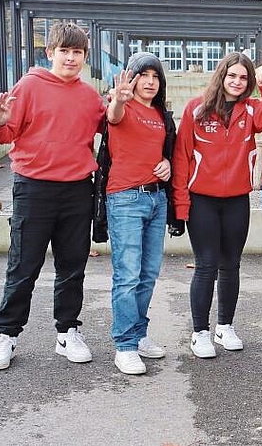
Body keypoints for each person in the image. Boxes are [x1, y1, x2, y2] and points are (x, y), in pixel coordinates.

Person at [0, 22, 105, 370]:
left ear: (85, 57)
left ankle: (67, 331)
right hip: (34, 187)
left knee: (73, 266)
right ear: (50, 53)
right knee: (23, 265)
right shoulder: (29, 86)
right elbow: (6, 133)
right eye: (64, 51)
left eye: (77, 52)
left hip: (76, 189)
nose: (70, 58)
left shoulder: (90, 96)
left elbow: (115, 126)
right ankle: (7, 334)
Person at [171, 52, 262, 359]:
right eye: (232, 75)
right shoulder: (197, 109)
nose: (237, 82)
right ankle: (200, 332)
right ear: (222, 76)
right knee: (206, 265)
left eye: (243, 77)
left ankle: (225, 326)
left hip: (236, 200)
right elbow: (181, 159)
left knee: (231, 265)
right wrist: (181, 206)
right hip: (202, 200)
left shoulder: (251, 109)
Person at [98, 52, 179, 375]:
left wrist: (167, 164)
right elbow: (113, 116)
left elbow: (164, 152)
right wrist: (118, 99)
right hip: (125, 199)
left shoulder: (160, 114)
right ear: (131, 78)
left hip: (156, 199)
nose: (149, 81)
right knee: (128, 275)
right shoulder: (122, 106)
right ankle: (125, 346)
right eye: (142, 75)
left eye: (154, 76)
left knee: (147, 275)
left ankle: (139, 333)